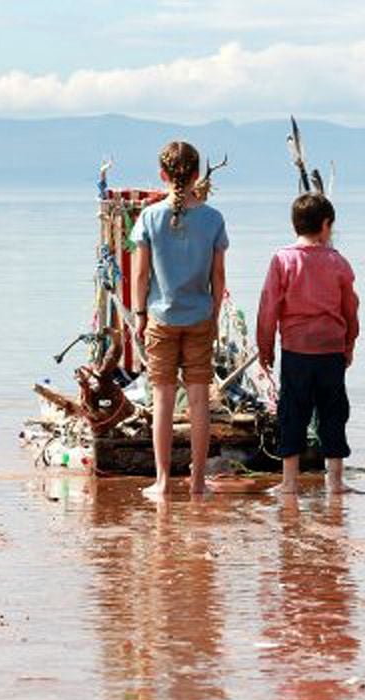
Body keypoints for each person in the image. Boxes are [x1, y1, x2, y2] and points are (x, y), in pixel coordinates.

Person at [131, 141, 228, 495]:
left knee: (163, 401)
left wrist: (140, 315)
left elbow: (141, 276)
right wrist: (215, 315)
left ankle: (162, 481)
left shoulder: (149, 217)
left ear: (163, 175)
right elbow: (218, 278)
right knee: (200, 401)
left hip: (161, 317)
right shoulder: (213, 218)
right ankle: (198, 482)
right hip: (200, 317)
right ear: (198, 174)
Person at [257, 193, 360, 495]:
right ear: (326, 225)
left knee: (293, 412)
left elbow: (268, 308)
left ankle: (289, 481)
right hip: (330, 350)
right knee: (334, 411)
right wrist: (349, 343)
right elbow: (350, 308)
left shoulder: (283, 260)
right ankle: (336, 481)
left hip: (296, 351)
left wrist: (265, 349)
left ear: (295, 226)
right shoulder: (338, 262)